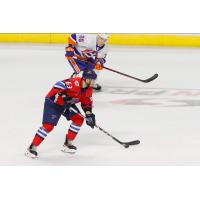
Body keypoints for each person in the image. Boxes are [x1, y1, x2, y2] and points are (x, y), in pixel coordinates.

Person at [25, 70, 97, 158]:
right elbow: (58, 84)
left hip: (67, 105)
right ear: (85, 79)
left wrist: (89, 115)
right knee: (48, 126)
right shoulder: (74, 82)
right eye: (92, 80)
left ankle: (67, 144)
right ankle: (32, 148)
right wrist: (64, 97)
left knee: (78, 119)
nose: (94, 82)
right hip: (53, 103)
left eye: (94, 80)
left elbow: (87, 103)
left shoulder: (88, 89)